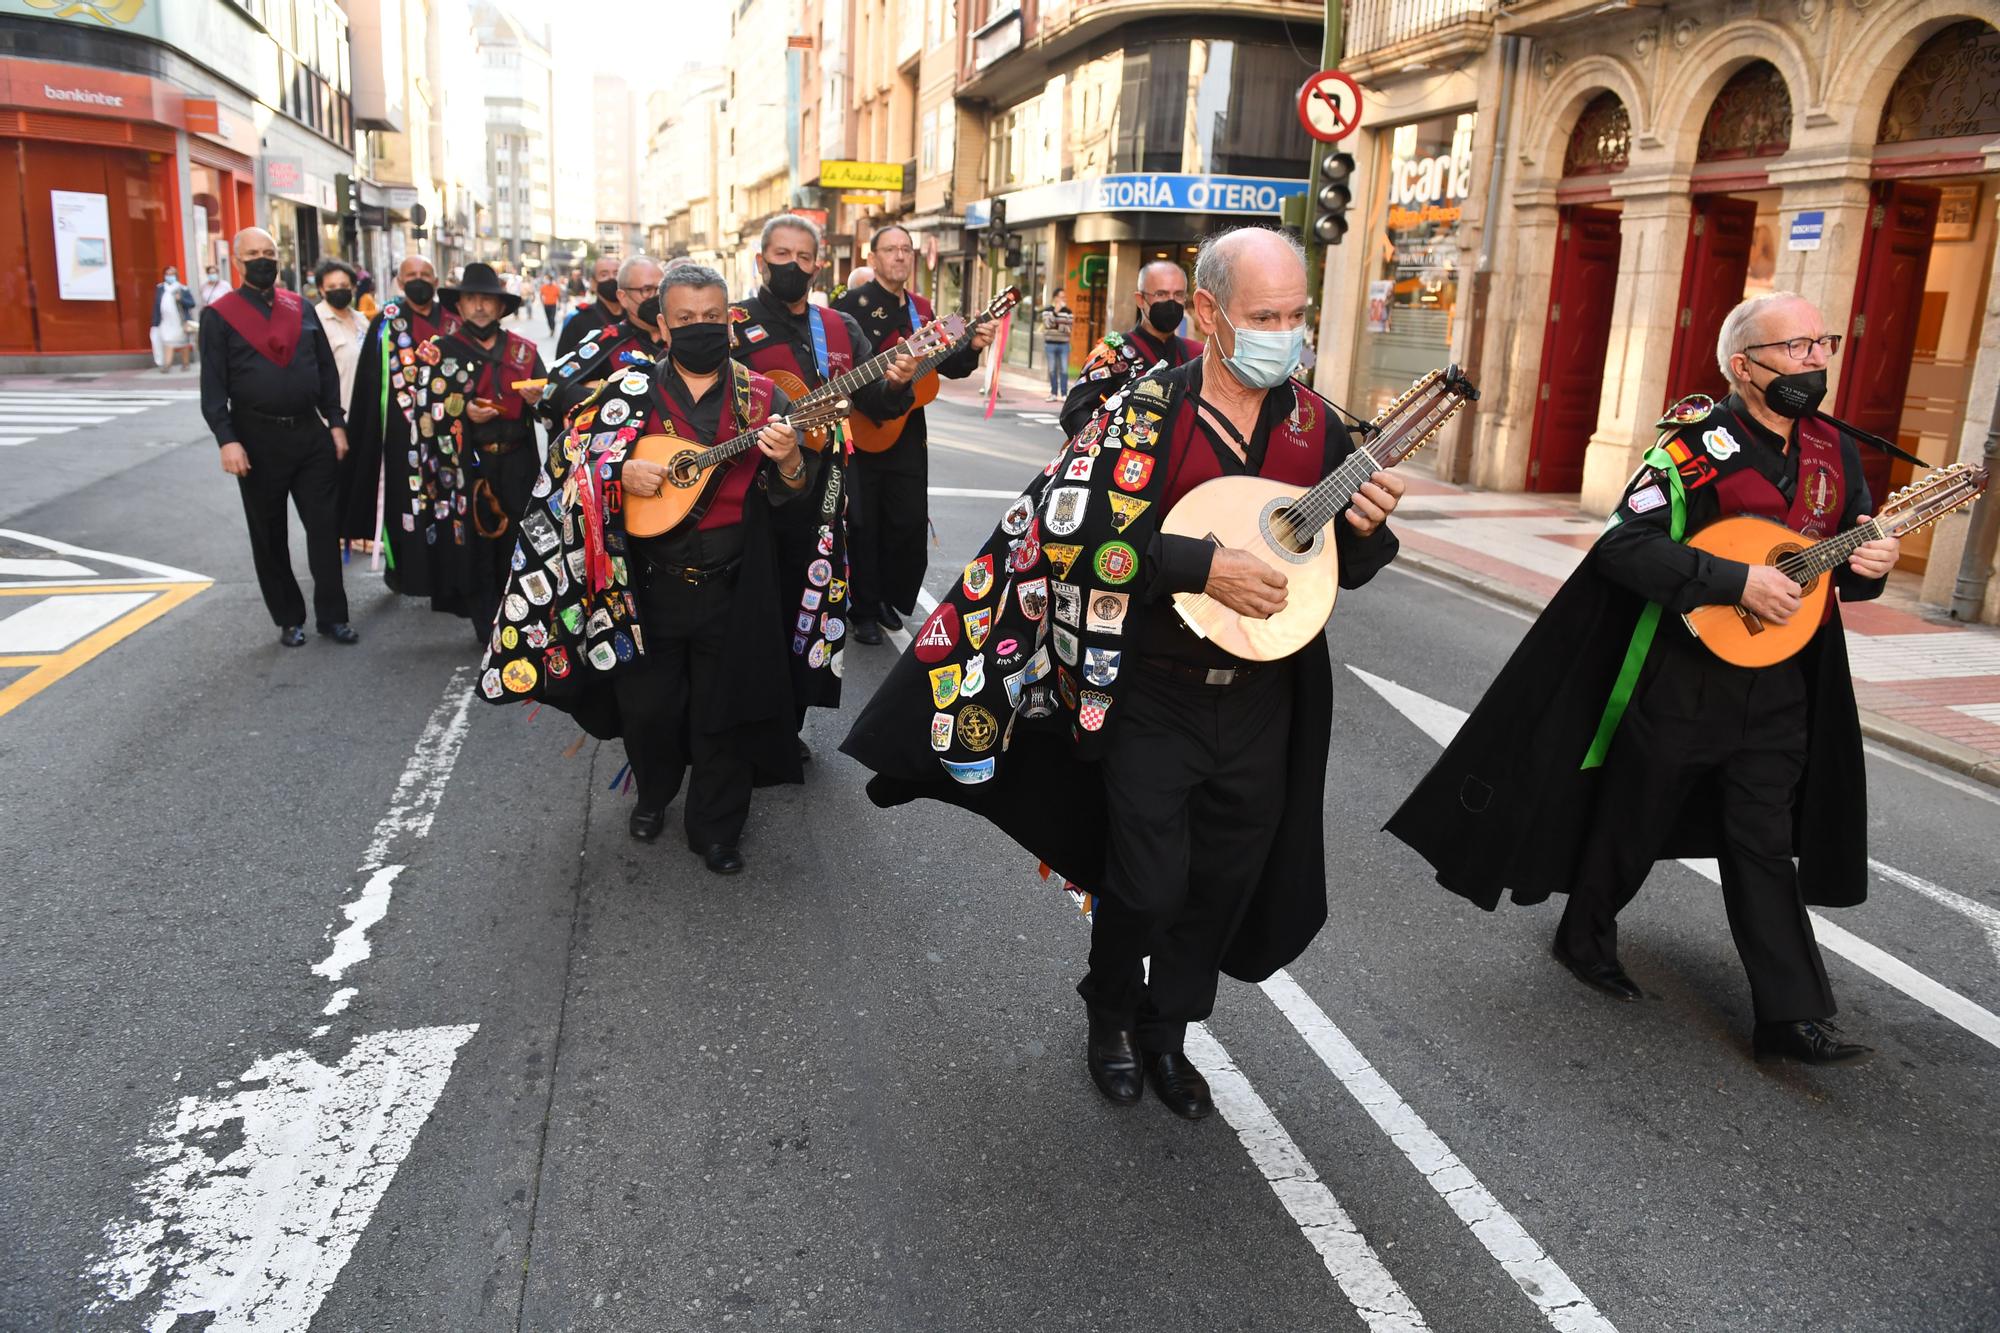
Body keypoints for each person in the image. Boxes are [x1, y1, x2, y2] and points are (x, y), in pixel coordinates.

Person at [841, 226, 1404, 1120]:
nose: (1286, 334)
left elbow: (1337, 560)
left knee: (1222, 879)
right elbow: (1069, 534)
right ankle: (1109, 1012)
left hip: (1264, 699)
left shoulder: (1317, 424)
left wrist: (1369, 533)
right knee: (1143, 882)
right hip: (1153, 691)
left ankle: (1168, 1030)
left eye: (1298, 315)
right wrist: (1198, 566)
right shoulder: (1144, 412)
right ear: (1212, 314)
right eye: (1267, 315)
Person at [1387, 291, 1901, 1067]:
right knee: (1638, 813)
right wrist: (1732, 579)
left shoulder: (1836, 451)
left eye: (1822, 343)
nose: (1816, 360)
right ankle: (1584, 932)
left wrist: (1872, 567)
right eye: (1796, 348)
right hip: (1686, 675)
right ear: (1744, 366)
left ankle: (1790, 1015)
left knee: (1763, 840)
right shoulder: (1694, 448)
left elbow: (1835, 573)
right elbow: (1624, 546)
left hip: (1785, 684)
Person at [477, 263, 810, 874]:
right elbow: (569, 473)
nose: (700, 329)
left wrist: (789, 462)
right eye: (685, 319)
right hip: (644, 590)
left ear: (730, 321)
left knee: (723, 711)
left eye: (712, 317)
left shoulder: (765, 398)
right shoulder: (624, 394)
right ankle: (655, 790)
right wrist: (616, 474)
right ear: (662, 324)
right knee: (649, 710)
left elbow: (795, 496)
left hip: (735, 586)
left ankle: (716, 828)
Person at [730, 214, 918, 752]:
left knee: (809, 609)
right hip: (751, 493)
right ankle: (743, 720)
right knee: (754, 609)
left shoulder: (839, 328)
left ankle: (789, 724)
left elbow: (873, 404)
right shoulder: (733, 323)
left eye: (803, 256)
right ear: (762, 259)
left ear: (818, 264)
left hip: (825, 495)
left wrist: (896, 383)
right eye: (781, 254)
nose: (793, 265)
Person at [833, 224, 995, 644]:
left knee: (904, 522)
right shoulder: (850, 307)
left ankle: (889, 597)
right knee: (864, 524)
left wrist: (973, 343)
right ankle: (863, 610)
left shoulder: (923, 310)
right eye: (891, 249)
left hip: (908, 434)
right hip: (865, 429)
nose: (901, 256)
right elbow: (845, 372)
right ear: (873, 258)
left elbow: (948, 365)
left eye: (907, 249)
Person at [199, 226, 359, 647]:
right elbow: (213, 387)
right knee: (269, 534)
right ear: (237, 261)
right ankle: (289, 618)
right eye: (253, 253)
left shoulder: (301, 308)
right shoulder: (219, 316)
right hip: (256, 439)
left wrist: (336, 423)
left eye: (269, 251)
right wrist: (226, 439)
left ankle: (333, 617)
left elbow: (325, 370)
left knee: (325, 529)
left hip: (309, 434)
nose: (262, 259)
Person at [393, 262, 548, 640]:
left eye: (487, 300)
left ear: (501, 308)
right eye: (471, 299)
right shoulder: (437, 354)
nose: (479, 307)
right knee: (476, 544)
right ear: (459, 307)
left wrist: (539, 399)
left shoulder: (523, 352)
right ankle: (487, 625)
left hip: (516, 460)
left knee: (518, 539)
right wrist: (464, 409)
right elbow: (422, 412)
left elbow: (550, 405)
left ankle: (519, 616)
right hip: (467, 464)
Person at [341, 253, 460, 572]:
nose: (418, 280)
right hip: (399, 428)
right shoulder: (386, 322)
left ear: (436, 282)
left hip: (448, 426)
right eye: (411, 274)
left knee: (447, 495)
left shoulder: (452, 319)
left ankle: (448, 563)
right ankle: (405, 570)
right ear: (399, 281)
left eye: (425, 273)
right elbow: (369, 379)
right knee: (402, 498)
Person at [1059, 261, 1202, 437]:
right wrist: (1107, 446)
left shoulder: (1195, 354)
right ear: (1140, 299)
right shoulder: (1112, 353)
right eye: (1161, 294)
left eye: (1178, 294)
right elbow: (1073, 412)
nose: (1171, 302)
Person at [539, 255, 667, 426]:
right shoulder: (605, 341)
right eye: (647, 290)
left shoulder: (682, 337)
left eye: (662, 289)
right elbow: (558, 389)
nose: (656, 297)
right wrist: (612, 392)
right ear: (623, 296)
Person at [313, 258, 367, 418]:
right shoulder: (316, 322)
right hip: (336, 418)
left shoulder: (362, 320)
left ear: (353, 288)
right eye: (332, 287)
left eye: (344, 286)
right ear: (321, 290)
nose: (339, 290)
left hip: (365, 413)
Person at [555, 253, 626, 360]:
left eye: (616, 274)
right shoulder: (578, 321)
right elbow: (562, 366)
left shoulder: (636, 317)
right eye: (604, 275)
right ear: (593, 283)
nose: (612, 278)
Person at [151, 266, 196, 372]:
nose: (169, 276)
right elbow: (156, 305)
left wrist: (181, 299)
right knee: (167, 341)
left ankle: (185, 364)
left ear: (176, 276)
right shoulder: (160, 288)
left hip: (180, 321)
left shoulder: (182, 289)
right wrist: (155, 321)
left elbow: (191, 304)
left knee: (183, 343)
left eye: (172, 274)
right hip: (165, 321)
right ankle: (167, 365)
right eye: (167, 274)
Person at [1041, 291, 1073, 400]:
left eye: (1065, 297)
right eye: (1061, 297)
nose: (1064, 299)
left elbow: (1069, 329)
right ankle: (1053, 393)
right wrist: (1056, 313)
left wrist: (1055, 325)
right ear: (1055, 298)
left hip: (1064, 344)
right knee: (1052, 369)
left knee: (1064, 370)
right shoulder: (1047, 310)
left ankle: (1064, 394)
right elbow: (1047, 324)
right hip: (1050, 344)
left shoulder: (1068, 311)